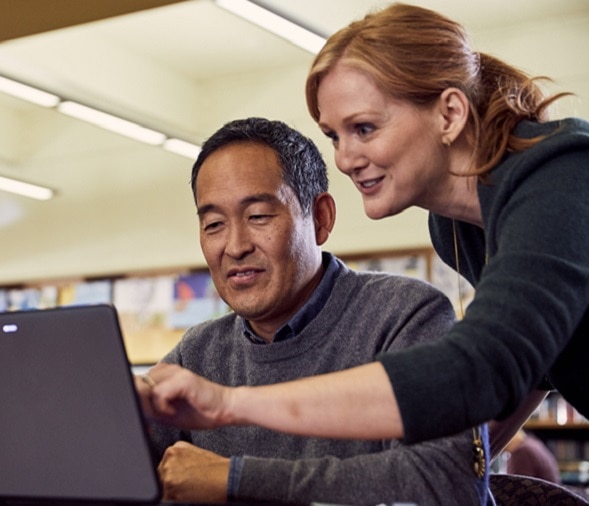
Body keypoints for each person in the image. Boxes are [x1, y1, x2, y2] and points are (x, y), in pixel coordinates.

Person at [142, 2, 589, 453]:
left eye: (364, 128)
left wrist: (230, 404)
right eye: (335, 136)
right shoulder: (455, 227)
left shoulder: (561, 175)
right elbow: (532, 361)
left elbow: (482, 368)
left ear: (450, 114)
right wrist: (447, 466)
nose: (344, 158)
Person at [138, 117, 488, 504]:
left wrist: (237, 478)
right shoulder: (198, 351)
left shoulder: (405, 315)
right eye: (214, 224)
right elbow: (120, 467)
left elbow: (449, 484)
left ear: (321, 218)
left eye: (258, 216)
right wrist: (115, 412)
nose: (235, 246)